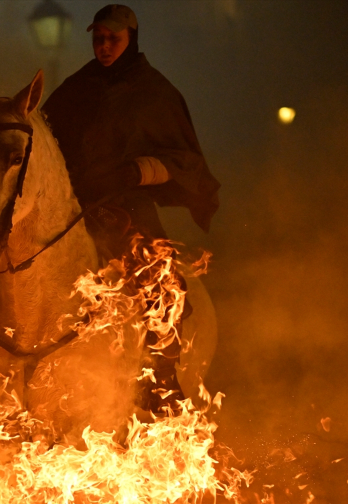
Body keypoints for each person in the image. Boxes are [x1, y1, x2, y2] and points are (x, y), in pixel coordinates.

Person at [42, 4, 220, 414]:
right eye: (98, 39)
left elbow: (186, 159)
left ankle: (162, 378)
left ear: (131, 39)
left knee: (157, 277)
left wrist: (140, 171)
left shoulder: (154, 91)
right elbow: (47, 135)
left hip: (127, 203)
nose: (104, 47)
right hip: (74, 200)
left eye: (113, 39)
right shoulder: (77, 86)